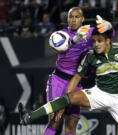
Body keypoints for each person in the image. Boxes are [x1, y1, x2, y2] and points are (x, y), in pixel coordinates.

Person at [19, 28, 118, 135]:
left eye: (99, 41)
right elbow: (76, 78)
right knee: (69, 98)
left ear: (108, 41)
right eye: (94, 41)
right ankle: (29, 117)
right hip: (100, 93)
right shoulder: (90, 56)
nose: (96, 44)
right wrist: (64, 103)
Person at [22, 7, 113, 135]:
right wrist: (75, 39)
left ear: (82, 19)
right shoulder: (61, 35)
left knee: (71, 124)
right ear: (67, 19)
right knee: (54, 120)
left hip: (76, 83)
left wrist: (107, 25)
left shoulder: (90, 31)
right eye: (71, 17)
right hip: (58, 81)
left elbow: (109, 35)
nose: (73, 20)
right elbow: (62, 47)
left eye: (77, 17)